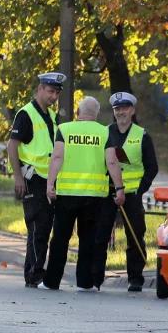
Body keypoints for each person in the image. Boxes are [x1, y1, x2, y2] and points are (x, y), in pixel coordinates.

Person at [42, 97, 125, 291]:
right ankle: (85, 282)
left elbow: (57, 157)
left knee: (60, 238)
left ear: (78, 111)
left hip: (67, 194)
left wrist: (49, 184)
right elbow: (112, 162)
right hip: (94, 196)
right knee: (88, 239)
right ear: (96, 113)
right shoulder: (105, 132)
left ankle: (52, 281)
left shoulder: (65, 129)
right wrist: (120, 189)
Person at [92, 92, 158, 292]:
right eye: (117, 109)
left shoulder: (142, 135)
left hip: (132, 193)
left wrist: (140, 190)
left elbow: (151, 167)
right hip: (107, 191)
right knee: (100, 235)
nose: (121, 112)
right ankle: (96, 278)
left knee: (135, 235)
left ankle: (135, 278)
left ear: (132, 111)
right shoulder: (105, 133)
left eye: (124, 108)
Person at [6, 72, 62, 288]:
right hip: (33, 179)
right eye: (50, 91)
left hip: (49, 179)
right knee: (38, 228)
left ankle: (36, 271)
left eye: (56, 93)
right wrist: (18, 177)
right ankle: (34, 274)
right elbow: (12, 146)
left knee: (44, 228)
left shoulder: (51, 116)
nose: (53, 96)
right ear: (40, 89)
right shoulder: (26, 114)